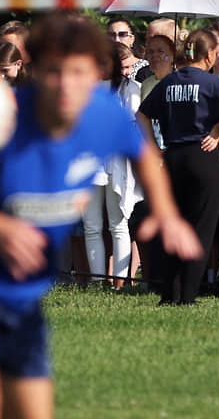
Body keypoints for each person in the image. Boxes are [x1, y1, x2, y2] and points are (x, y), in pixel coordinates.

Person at [0, 12, 201, 418]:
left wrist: (166, 213)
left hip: (23, 290)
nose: (65, 85)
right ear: (33, 69)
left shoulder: (105, 115)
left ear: (98, 71)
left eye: (78, 72)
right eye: (52, 72)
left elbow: (143, 155)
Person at [138, 28, 219, 305]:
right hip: (204, 157)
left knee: (173, 225)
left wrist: (154, 148)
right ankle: (187, 296)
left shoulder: (169, 81)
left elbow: (141, 115)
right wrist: (217, 128)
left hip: (173, 158)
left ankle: (168, 295)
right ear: (210, 53)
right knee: (200, 229)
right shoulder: (212, 82)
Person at [81, 42, 143, 290]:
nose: (128, 72)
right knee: (92, 224)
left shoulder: (134, 89)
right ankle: (98, 281)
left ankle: (120, 281)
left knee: (119, 223)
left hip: (119, 161)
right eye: (123, 67)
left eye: (130, 66)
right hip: (91, 159)